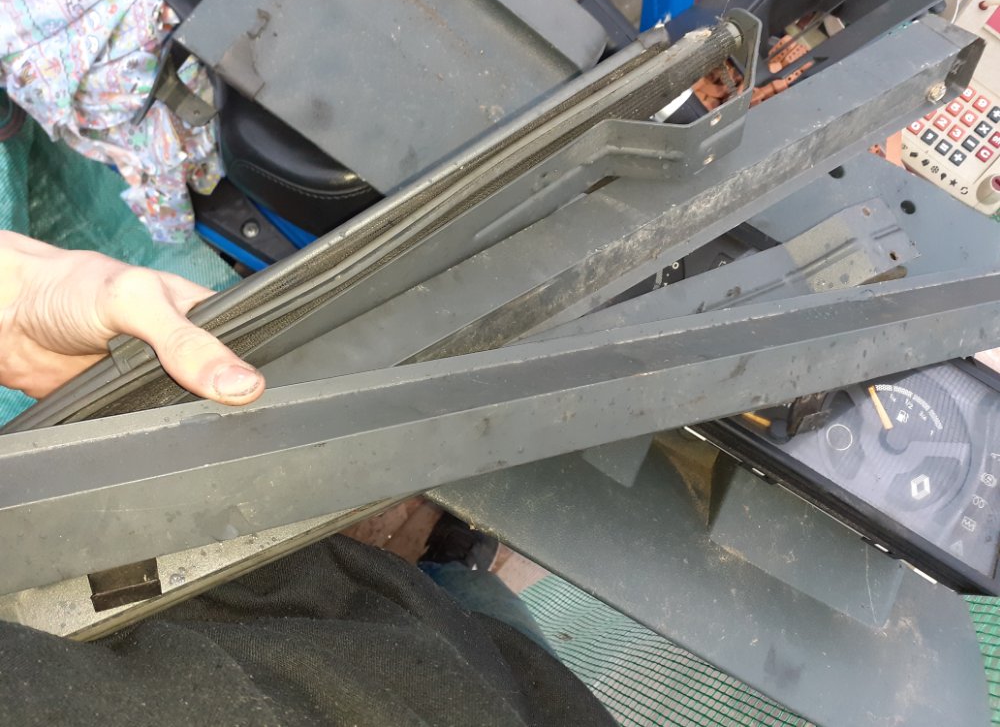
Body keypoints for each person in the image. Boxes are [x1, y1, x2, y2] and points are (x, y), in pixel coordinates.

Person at [0, 231, 617, 726]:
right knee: (474, 616)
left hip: (257, 605)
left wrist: (15, 305)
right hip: (406, 668)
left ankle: (437, 568)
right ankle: (445, 567)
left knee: (460, 626)